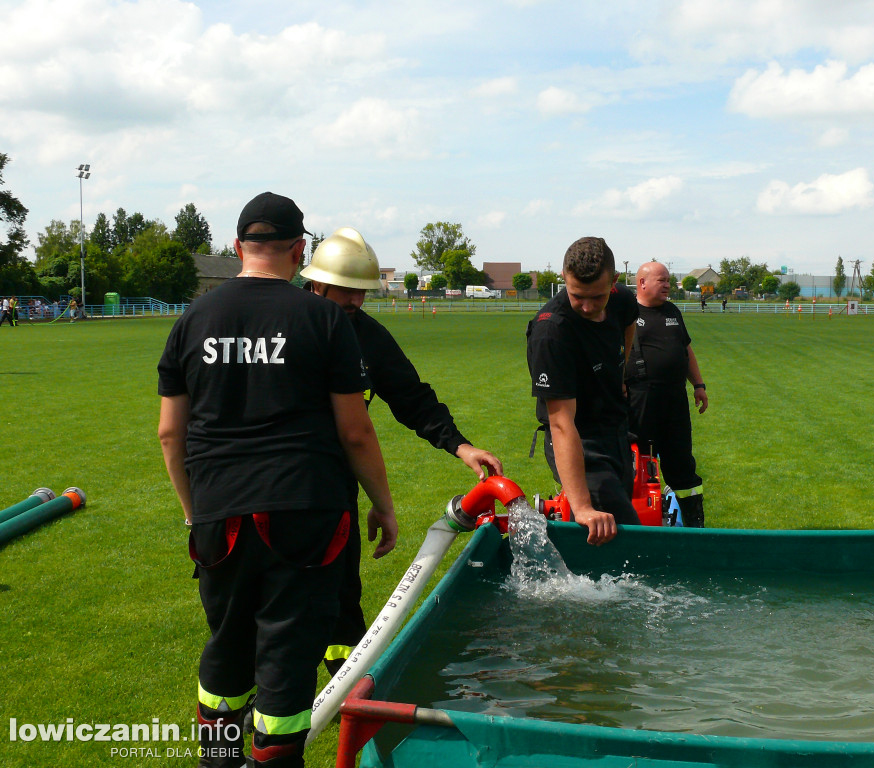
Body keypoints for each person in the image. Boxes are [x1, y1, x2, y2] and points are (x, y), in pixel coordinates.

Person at [158, 192, 398, 768]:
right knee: (286, 657)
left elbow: (171, 434)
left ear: (238, 247)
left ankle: (218, 759)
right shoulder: (320, 318)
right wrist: (383, 505)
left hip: (219, 514)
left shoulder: (192, 320)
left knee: (227, 649)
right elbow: (356, 432)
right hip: (304, 511)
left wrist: (196, 512)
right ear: (298, 252)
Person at [300, 226, 503, 675]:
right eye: (346, 291)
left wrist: (461, 446)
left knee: (340, 597)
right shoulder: (287, 328)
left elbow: (411, 397)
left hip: (334, 494)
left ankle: (344, 691)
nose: (355, 302)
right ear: (316, 283)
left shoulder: (365, 334)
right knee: (277, 609)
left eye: (362, 293)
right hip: (277, 489)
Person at [526, 236, 640, 546]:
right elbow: (562, 423)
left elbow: (629, 321)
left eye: (597, 297)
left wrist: (621, 370)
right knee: (625, 539)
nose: (587, 307)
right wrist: (583, 506)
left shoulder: (622, 299)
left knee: (619, 536)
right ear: (563, 278)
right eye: (577, 296)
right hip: (580, 439)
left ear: (614, 282)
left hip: (615, 427)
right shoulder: (552, 332)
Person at [625, 262, 708, 527]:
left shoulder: (672, 311)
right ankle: (637, 523)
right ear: (642, 283)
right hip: (641, 400)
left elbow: (686, 350)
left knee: (682, 463)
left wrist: (698, 384)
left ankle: (694, 523)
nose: (667, 285)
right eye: (662, 280)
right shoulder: (626, 313)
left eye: (668, 281)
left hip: (675, 401)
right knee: (637, 464)